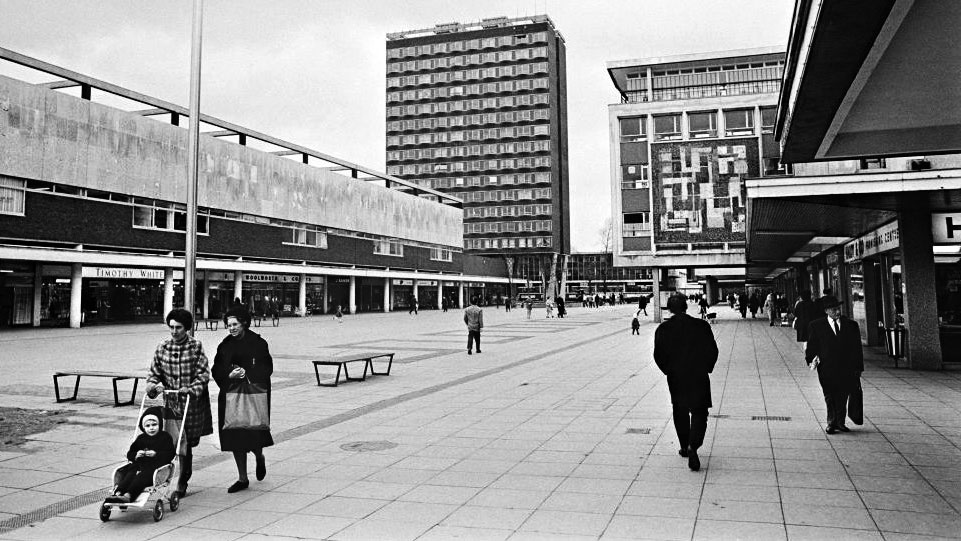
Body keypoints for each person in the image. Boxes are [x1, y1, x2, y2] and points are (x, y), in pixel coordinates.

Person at [145, 308, 213, 498]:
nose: (174, 331)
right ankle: (161, 475)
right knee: (170, 440)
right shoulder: (162, 347)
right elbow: (154, 372)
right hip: (171, 402)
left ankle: (183, 477)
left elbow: (203, 374)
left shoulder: (195, 347)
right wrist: (152, 385)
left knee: (185, 442)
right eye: (172, 327)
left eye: (179, 327)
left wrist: (191, 388)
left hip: (190, 403)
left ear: (187, 328)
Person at [653, 293, 719, 472]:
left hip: (676, 377)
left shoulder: (663, 329)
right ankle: (693, 445)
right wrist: (707, 367)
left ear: (669, 309)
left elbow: (658, 355)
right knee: (700, 411)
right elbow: (712, 350)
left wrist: (669, 370)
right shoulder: (701, 326)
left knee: (680, 410)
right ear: (685, 306)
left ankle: (684, 446)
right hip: (698, 374)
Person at [212, 306, 274, 493]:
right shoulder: (224, 345)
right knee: (234, 435)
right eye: (228, 325)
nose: (231, 328)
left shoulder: (258, 343)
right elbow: (216, 369)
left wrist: (249, 372)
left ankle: (259, 455)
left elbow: (267, 367)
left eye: (235, 324)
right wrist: (228, 374)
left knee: (253, 431)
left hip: (253, 395)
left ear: (244, 323)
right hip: (231, 395)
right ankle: (242, 478)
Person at [805, 296, 863, 434]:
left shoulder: (851, 325)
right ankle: (831, 422)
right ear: (826, 311)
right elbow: (812, 346)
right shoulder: (816, 325)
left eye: (838, 309)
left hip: (846, 367)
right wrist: (811, 360)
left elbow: (857, 348)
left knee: (843, 395)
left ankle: (840, 423)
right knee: (829, 395)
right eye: (833, 309)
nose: (837, 312)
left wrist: (858, 367)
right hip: (827, 367)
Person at [107, 406, 175, 503]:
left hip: (156, 469)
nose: (151, 428)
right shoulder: (141, 438)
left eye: (154, 424)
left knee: (141, 476)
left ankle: (129, 495)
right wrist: (136, 454)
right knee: (129, 473)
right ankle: (118, 492)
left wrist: (156, 454)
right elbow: (130, 453)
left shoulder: (165, 437)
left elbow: (170, 454)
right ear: (143, 427)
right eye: (148, 426)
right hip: (139, 465)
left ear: (159, 424)